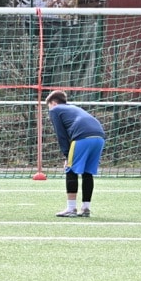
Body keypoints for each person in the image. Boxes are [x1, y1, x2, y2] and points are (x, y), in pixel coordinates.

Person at [45, 89, 106, 217]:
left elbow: (61, 135)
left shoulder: (55, 110)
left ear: (53, 103)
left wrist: (67, 156)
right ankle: (85, 208)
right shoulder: (72, 108)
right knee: (87, 172)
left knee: (71, 170)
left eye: (48, 106)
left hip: (82, 137)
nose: (49, 109)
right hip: (99, 137)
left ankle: (71, 208)